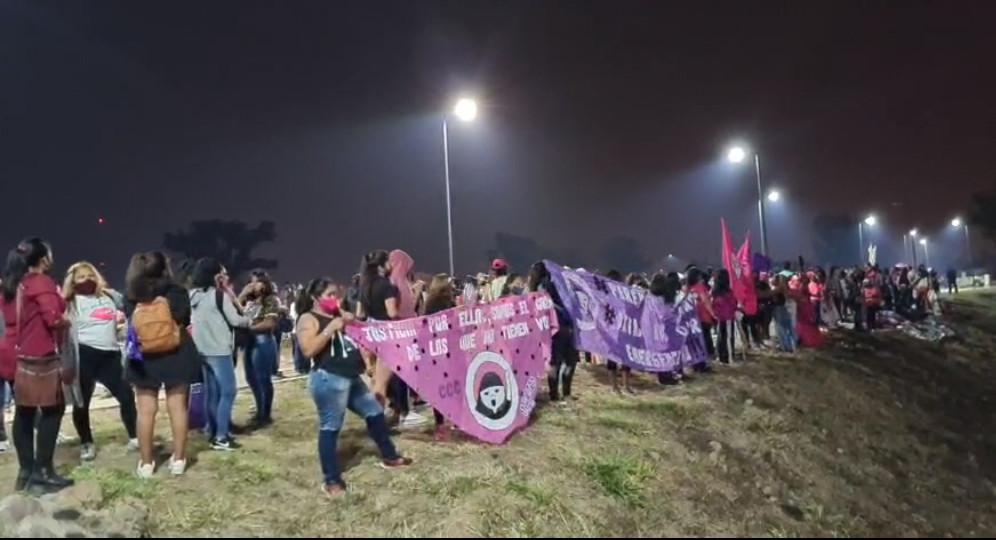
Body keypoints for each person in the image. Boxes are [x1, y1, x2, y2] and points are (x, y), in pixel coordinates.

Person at [296, 277, 412, 497]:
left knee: (375, 412)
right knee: (331, 426)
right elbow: (308, 350)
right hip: (329, 379)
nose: (335, 299)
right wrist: (331, 327)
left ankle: (390, 456)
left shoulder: (337, 315)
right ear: (315, 298)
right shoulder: (307, 319)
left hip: (351, 378)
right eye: (329, 295)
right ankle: (331, 480)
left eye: (336, 294)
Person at [2, 238, 74, 491]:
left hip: (13, 355)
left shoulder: (12, 284)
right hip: (37, 356)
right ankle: (44, 470)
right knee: (53, 409)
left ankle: (26, 471)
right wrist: (65, 320)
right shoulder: (40, 282)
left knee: (24, 413)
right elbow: (53, 318)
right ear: (43, 259)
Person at [124, 251, 201, 478]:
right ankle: (178, 459)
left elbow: (131, 323)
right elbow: (184, 320)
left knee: (146, 411)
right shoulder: (176, 291)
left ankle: (146, 463)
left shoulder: (130, 295)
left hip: (143, 357)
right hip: (177, 352)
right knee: (177, 408)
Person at [63, 261, 138, 461]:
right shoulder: (69, 301)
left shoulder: (110, 296)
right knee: (82, 404)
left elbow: (131, 306)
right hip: (85, 355)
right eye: (81, 277)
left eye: (90, 275)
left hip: (110, 356)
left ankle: (135, 437)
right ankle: (86, 442)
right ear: (73, 281)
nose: (87, 280)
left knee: (126, 396)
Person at [357, 250, 427, 428]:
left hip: (371, 334)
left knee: (376, 382)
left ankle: (374, 419)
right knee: (383, 382)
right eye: (388, 262)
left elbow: (360, 314)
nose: (391, 265)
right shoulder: (386, 286)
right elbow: (392, 313)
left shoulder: (364, 286)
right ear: (382, 265)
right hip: (387, 336)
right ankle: (378, 422)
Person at [189, 258, 251, 451]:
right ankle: (222, 437)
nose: (225, 276)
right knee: (228, 392)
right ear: (215, 275)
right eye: (222, 273)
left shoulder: (192, 296)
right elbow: (235, 319)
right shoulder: (219, 295)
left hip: (202, 350)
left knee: (212, 393)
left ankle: (212, 431)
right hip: (219, 350)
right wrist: (248, 319)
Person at [239, 270, 281, 428]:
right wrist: (243, 294)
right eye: (251, 282)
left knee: (263, 378)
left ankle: (266, 414)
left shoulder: (270, 300)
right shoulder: (249, 300)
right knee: (251, 378)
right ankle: (259, 410)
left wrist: (249, 328)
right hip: (249, 342)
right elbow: (234, 310)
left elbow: (270, 323)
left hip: (263, 341)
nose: (253, 286)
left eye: (257, 282)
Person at [421, 274, 456, 441]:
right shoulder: (448, 303)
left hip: (435, 349)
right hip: (449, 349)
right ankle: (455, 418)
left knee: (439, 387)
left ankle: (440, 424)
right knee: (454, 384)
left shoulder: (429, 303)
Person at [649, 272, 683, 385]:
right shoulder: (666, 296)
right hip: (668, 326)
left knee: (660, 351)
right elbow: (668, 312)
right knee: (668, 350)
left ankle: (663, 375)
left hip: (654, 327)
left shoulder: (649, 296)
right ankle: (667, 375)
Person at [686, 267, 717, 362]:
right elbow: (706, 301)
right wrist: (713, 314)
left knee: (698, 336)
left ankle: (699, 355)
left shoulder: (687, 288)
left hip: (693, 316)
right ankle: (709, 354)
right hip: (703, 315)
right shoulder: (700, 287)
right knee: (706, 335)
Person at [712, 270, 738, 364]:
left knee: (721, 337)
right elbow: (733, 304)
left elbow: (713, 305)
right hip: (728, 318)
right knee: (728, 337)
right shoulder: (728, 292)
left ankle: (720, 356)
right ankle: (729, 357)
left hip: (719, 318)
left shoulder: (715, 292)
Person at [771, 275, 796, 353]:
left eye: (774, 278)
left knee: (781, 328)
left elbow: (768, 294)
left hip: (779, 308)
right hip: (784, 308)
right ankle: (790, 345)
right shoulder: (784, 288)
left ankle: (785, 346)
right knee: (787, 327)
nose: (772, 280)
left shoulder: (779, 288)